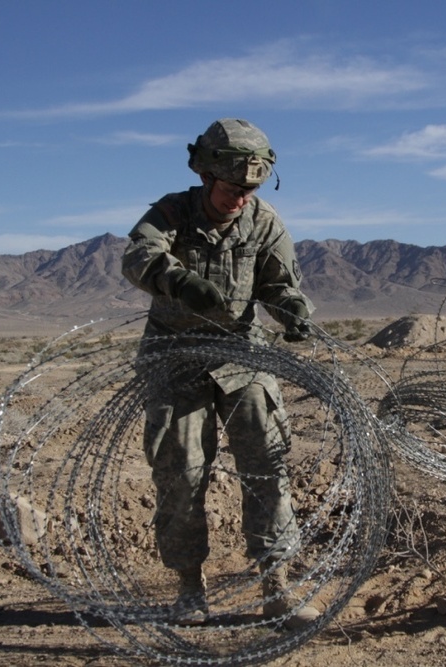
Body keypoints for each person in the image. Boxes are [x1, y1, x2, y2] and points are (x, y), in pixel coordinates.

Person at [121, 118, 319, 629]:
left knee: (267, 467)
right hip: (175, 357)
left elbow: (279, 284)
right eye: (231, 188)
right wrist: (177, 280)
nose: (240, 198)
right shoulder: (172, 211)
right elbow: (138, 255)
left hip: (242, 357)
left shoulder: (263, 220)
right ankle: (189, 589)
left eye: (250, 189)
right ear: (207, 175)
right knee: (180, 476)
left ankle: (277, 585)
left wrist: (294, 309)